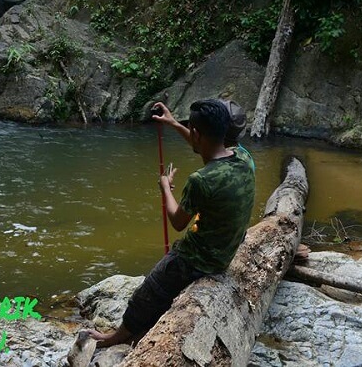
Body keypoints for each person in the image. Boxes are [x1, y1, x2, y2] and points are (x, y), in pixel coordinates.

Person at [87, 99, 255, 347]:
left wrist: (165, 187)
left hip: (202, 260)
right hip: (227, 250)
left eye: (192, 131)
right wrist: (173, 123)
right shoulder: (244, 157)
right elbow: (205, 145)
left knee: (151, 287)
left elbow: (177, 221)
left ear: (197, 133)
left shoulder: (201, 180)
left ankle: (117, 337)